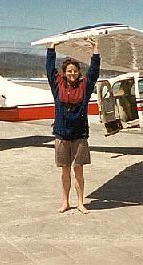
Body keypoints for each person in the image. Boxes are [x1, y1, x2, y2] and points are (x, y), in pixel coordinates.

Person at [46, 38, 100, 214]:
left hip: (79, 135)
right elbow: (49, 69)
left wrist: (95, 50)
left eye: (75, 71)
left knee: (78, 171)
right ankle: (65, 202)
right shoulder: (58, 85)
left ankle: (80, 203)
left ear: (78, 73)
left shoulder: (85, 86)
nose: (72, 74)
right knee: (65, 171)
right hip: (62, 135)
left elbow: (93, 73)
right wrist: (51, 49)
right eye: (69, 71)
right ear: (64, 73)